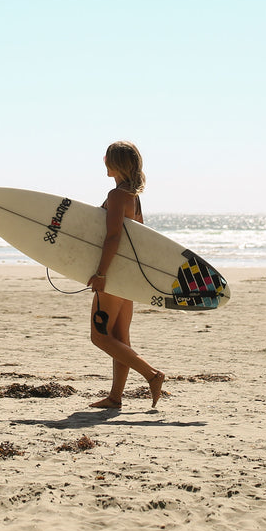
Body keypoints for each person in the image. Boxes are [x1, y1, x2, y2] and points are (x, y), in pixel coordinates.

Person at [85, 141, 167, 409]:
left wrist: (101, 273)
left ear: (114, 162)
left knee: (100, 336)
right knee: (120, 339)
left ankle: (152, 375)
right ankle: (115, 397)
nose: (103, 160)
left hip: (114, 275)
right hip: (127, 275)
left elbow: (114, 236)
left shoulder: (117, 195)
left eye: (106, 156)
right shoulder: (132, 196)